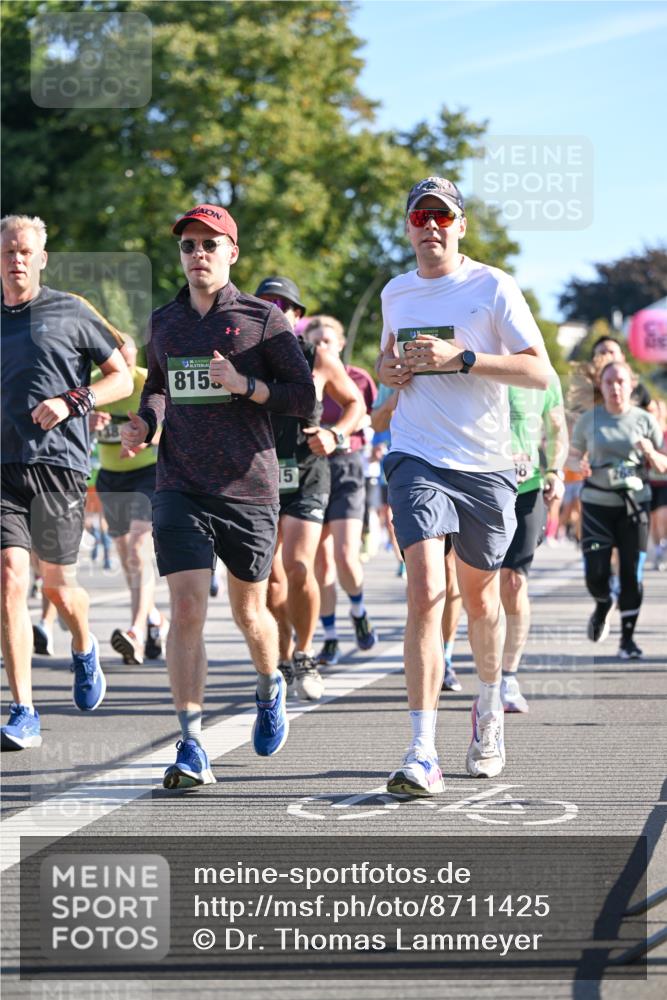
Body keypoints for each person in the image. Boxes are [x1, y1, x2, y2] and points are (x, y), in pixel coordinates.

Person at [121, 205, 316, 789]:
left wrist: (245, 386)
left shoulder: (263, 321)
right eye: (188, 246)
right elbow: (157, 387)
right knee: (185, 609)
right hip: (179, 483)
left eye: (210, 244)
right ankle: (191, 743)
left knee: (250, 613)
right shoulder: (165, 322)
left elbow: (303, 399)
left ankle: (269, 682)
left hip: (248, 487)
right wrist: (146, 425)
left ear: (232, 252)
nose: (197, 254)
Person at [376, 176, 550, 796]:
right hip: (417, 455)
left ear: (460, 225)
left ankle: (488, 704)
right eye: (420, 215)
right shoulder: (395, 293)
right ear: (408, 227)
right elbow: (387, 365)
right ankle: (422, 749)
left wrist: (465, 360)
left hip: (485, 466)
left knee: (481, 602)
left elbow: (538, 370)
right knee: (426, 589)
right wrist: (389, 370)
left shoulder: (492, 286)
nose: (431, 226)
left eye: (442, 216)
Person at [1, 213, 132, 749]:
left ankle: (82, 644)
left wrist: (72, 401)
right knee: (10, 577)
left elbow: (121, 376)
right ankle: (23, 709)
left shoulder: (72, 310)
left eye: (26, 250)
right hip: (3, 466)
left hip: (59, 464)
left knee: (57, 584)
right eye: (8, 250)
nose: (16, 258)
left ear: (42, 257)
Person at [255, 277, 364, 700]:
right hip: (257, 476)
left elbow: (355, 402)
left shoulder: (317, 357)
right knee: (269, 579)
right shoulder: (239, 359)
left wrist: (336, 434)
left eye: (284, 305)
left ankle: (305, 653)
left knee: (300, 565)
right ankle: (283, 653)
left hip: (307, 472)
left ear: (297, 317)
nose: (274, 310)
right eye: (265, 303)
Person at [569, 360, 667, 659]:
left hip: (634, 505)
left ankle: (627, 641)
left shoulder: (644, 420)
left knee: (631, 575)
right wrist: (579, 465)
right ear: (601, 385)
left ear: (632, 384)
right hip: (598, 505)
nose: (615, 387)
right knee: (595, 575)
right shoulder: (590, 420)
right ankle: (602, 602)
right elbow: (572, 458)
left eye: (621, 381)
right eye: (609, 381)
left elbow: (663, 467)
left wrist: (650, 451)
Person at [303, 316, 378, 666]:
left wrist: (350, 429)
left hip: (348, 466)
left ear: (341, 344)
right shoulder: (305, 375)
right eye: (314, 341)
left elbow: (370, 418)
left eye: (327, 341)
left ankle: (360, 609)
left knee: (347, 554)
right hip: (314, 468)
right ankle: (330, 636)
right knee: (321, 561)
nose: (321, 347)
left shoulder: (359, 379)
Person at [91, 335, 169, 665]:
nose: (120, 366)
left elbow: (176, 426)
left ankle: (135, 631)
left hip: (146, 473)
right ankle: (155, 619)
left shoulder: (146, 382)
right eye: (113, 360)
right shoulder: (93, 385)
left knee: (138, 547)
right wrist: (86, 422)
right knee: (126, 555)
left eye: (126, 359)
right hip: (111, 476)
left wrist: (148, 437)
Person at [499, 373, 568, 712]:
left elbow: (556, 427)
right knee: (474, 589)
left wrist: (555, 470)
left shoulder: (542, 373)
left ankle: (508, 676)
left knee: (513, 582)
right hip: (479, 487)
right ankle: (451, 658)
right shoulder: (473, 359)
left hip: (527, 489)